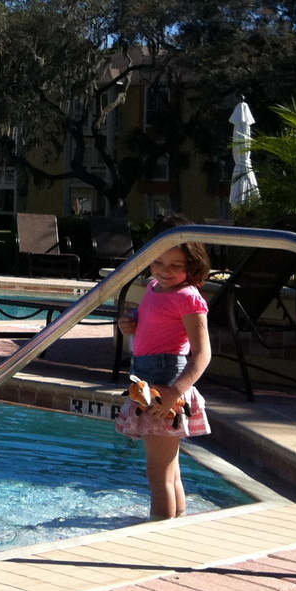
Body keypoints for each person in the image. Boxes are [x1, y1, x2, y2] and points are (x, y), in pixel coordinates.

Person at [116, 215, 213, 519]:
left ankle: (159, 531)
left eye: (176, 265)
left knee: (158, 474)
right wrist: (130, 326)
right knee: (170, 471)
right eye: (158, 262)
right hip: (150, 380)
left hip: (166, 386)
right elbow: (156, 330)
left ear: (192, 265)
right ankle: (177, 521)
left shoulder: (188, 298)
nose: (165, 271)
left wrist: (175, 392)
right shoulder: (154, 288)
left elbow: (202, 353)